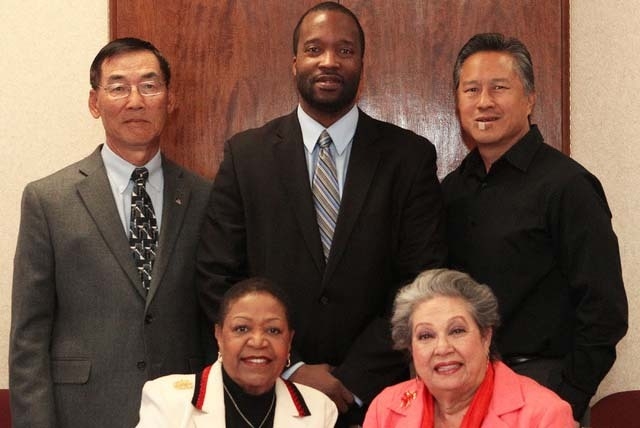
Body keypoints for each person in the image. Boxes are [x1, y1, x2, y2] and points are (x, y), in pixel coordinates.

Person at [196, 2, 446, 426]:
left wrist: (354, 377)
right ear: (295, 62)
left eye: (345, 50)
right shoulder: (246, 156)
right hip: (268, 395)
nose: (329, 61)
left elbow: (422, 281)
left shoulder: (408, 157)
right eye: (314, 49)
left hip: (377, 397)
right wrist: (289, 365)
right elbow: (217, 275)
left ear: (362, 63)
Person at [9, 37, 213, 427]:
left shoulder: (203, 197)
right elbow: (28, 336)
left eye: (149, 85)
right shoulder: (48, 200)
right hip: (84, 412)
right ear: (94, 102)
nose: (135, 101)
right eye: (118, 87)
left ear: (170, 99)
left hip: (184, 411)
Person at [441, 33, 628, 422]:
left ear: (529, 98)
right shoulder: (450, 190)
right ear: (457, 102)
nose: (484, 101)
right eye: (471, 89)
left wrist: (567, 397)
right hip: (461, 388)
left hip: (541, 386)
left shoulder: (568, 186)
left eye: (499, 87)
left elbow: (604, 308)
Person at [363, 269, 575, 428]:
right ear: (411, 347)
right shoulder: (385, 409)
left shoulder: (544, 414)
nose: (442, 348)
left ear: (485, 336)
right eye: (426, 336)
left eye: (457, 331)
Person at [136, 277, 338, 427]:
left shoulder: (319, 409)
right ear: (219, 335)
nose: (258, 341)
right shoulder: (168, 399)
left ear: (289, 341)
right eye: (242, 328)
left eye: (273, 330)